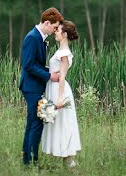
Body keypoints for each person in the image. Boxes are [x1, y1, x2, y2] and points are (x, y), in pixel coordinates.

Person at [19, 7, 63, 167]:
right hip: (31, 87)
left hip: (34, 86)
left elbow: (36, 65)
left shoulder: (39, 37)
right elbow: (28, 65)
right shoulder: (33, 38)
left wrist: (49, 71)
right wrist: (50, 76)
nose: (55, 30)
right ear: (46, 23)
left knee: (33, 123)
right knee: (36, 123)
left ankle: (28, 161)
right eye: (54, 27)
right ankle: (31, 162)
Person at [41, 20, 82, 167]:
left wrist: (59, 98)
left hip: (60, 90)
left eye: (58, 30)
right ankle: (63, 158)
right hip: (53, 87)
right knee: (57, 123)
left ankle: (68, 159)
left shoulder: (64, 53)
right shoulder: (60, 51)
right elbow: (54, 70)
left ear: (64, 34)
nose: (55, 32)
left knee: (63, 123)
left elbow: (62, 76)